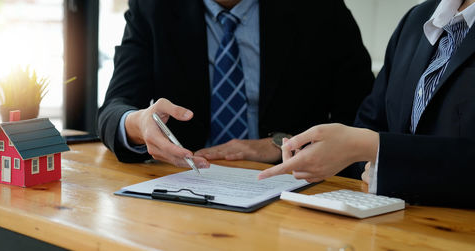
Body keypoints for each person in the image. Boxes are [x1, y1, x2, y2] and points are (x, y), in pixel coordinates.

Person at [97, 0, 374, 169]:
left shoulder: (319, 9)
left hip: (291, 182)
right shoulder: (153, 7)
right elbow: (115, 108)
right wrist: (139, 124)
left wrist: (283, 145)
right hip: (187, 181)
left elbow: (363, 116)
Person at [258, 0, 475, 208]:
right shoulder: (417, 18)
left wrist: (376, 150)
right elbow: (372, 121)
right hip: (393, 223)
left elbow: (371, 143)